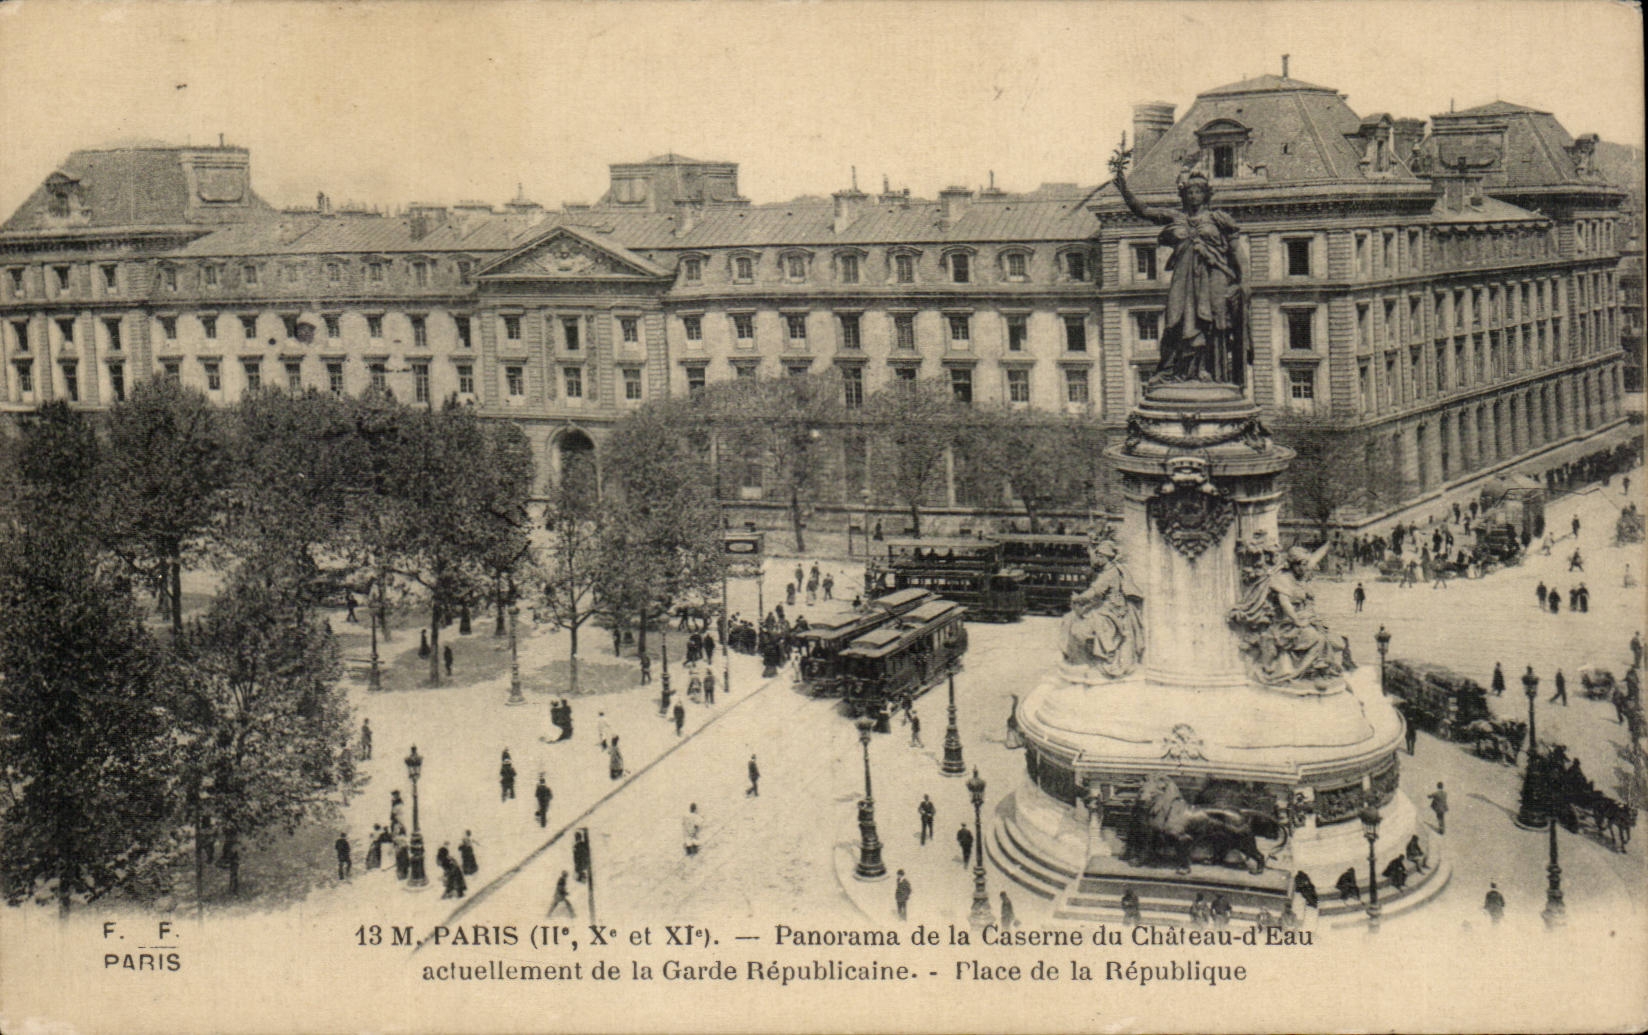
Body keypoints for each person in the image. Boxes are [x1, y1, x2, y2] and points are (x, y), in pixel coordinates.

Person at [1109, 142, 1248, 387]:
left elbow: (1237, 253)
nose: (1194, 196)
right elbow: (1144, 211)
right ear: (1184, 196)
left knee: (1212, 324)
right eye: (1190, 192)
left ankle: (1208, 372)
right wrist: (1124, 190)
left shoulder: (1218, 219)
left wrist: (1245, 281)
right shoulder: (1177, 217)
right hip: (1183, 281)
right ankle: (1176, 371)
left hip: (1214, 276)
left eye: (1199, 192)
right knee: (1177, 320)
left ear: (1206, 195)